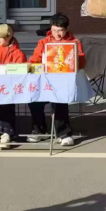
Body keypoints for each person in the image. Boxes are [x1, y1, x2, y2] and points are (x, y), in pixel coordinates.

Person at [27, 14, 86, 147]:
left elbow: (82, 63)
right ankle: (38, 130)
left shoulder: (74, 42)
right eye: (54, 30)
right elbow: (35, 59)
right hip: (45, 82)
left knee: (59, 101)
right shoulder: (44, 42)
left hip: (62, 83)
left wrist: (74, 58)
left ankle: (64, 133)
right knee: (33, 100)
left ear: (66, 29)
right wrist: (30, 64)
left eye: (60, 31)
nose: (57, 34)